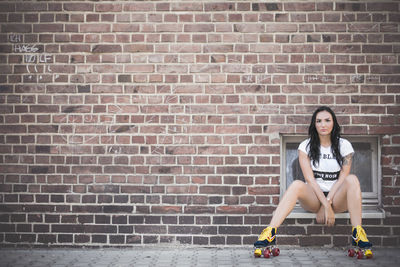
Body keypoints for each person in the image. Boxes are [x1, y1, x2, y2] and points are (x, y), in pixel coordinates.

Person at [254, 106, 372, 250]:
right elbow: (310, 180)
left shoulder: (344, 145)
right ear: (314, 124)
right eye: (319, 121)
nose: (323, 125)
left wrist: (327, 205)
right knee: (297, 184)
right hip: (314, 198)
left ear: (333, 123)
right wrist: (323, 204)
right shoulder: (306, 146)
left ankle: (358, 233)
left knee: (352, 179)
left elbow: (342, 178)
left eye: (327, 120)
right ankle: (270, 232)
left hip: (337, 198)